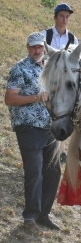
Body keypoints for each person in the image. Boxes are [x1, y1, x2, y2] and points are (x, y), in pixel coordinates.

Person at [4, 32, 61, 231]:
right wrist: (36, 97)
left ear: (44, 48)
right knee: (35, 170)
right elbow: (10, 98)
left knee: (54, 172)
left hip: (49, 127)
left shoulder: (48, 67)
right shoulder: (20, 69)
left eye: (40, 47)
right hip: (28, 127)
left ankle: (44, 215)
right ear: (28, 48)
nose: (37, 51)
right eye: (33, 47)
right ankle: (30, 216)